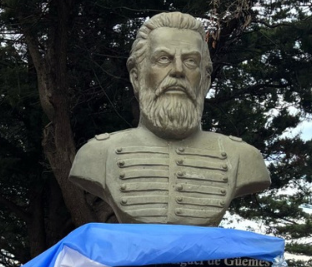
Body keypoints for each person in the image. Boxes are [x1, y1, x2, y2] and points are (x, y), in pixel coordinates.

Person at [69, 12, 270, 226]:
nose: (178, 70)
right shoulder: (96, 154)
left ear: (205, 81)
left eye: (191, 61)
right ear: (136, 77)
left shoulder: (244, 157)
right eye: (163, 59)